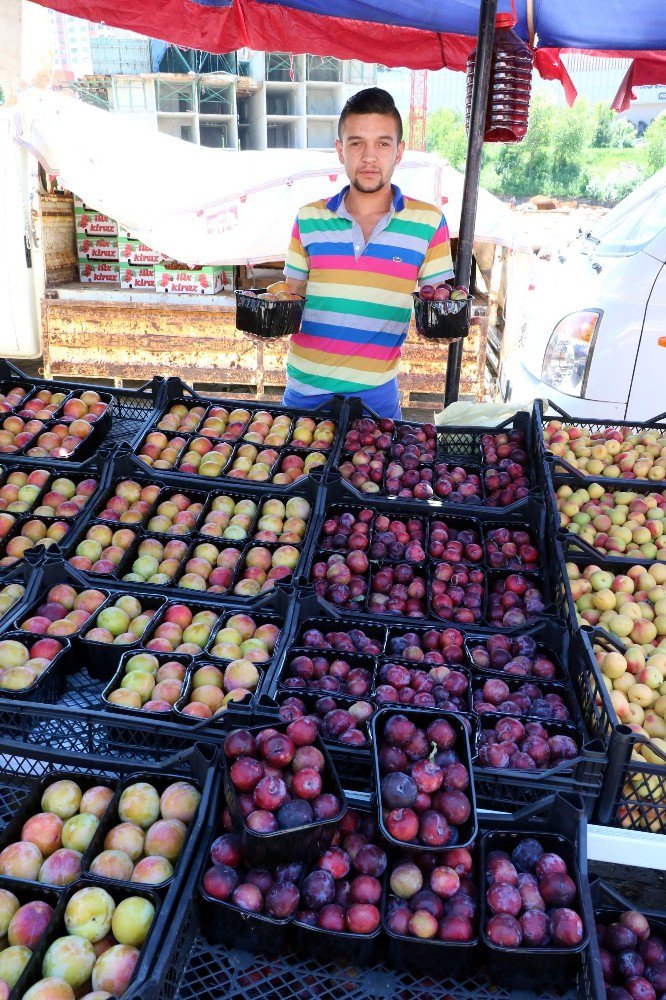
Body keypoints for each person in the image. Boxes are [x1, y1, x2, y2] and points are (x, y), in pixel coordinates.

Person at [282, 87, 454, 420]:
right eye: (357, 142)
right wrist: (266, 319)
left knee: (382, 472)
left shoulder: (429, 222)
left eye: (383, 143)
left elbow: (439, 304)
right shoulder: (308, 218)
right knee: (296, 473)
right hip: (305, 391)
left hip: (377, 396)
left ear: (399, 151)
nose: (369, 157)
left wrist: (449, 324)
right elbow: (290, 296)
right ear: (340, 150)